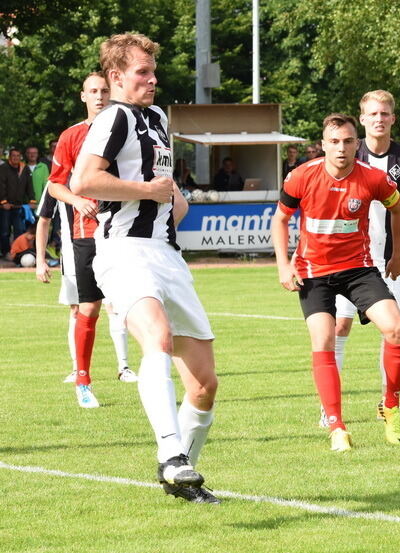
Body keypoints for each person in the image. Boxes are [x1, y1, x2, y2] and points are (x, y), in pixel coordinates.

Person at [71, 33, 219, 504]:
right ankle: (171, 454)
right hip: (123, 249)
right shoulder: (113, 117)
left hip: (166, 253)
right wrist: (148, 194)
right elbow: (85, 180)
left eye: (153, 72)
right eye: (142, 72)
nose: (152, 80)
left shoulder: (156, 118)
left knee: (204, 382)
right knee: (157, 338)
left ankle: (184, 477)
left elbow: (161, 189)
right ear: (116, 77)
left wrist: (173, 199)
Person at [271, 112, 400, 452]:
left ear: (356, 144)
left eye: (348, 141)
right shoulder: (301, 176)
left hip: (357, 269)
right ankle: (336, 425)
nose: (341, 148)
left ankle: (390, 406)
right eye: (334, 142)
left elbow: (399, 209)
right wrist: (282, 265)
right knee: (324, 339)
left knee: (396, 330)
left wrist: (398, 254)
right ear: (323, 145)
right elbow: (280, 219)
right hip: (314, 272)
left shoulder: (373, 179)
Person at [330, 90, 400, 427]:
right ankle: (329, 408)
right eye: (372, 114)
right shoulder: (347, 152)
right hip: (348, 256)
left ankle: (389, 404)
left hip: (391, 257)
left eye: (384, 114)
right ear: (361, 119)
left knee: (394, 331)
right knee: (339, 326)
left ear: (393, 118)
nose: (379, 119)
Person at [36, 72, 135, 410]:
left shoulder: (129, 128)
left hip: (125, 232)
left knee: (134, 307)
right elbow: (54, 184)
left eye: (104, 90)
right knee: (89, 308)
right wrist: (77, 200)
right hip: (86, 235)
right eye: (93, 91)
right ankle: (83, 381)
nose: (99, 96)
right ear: (83, 96)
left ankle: (133, 369)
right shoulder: (72, 136)